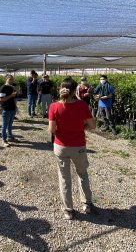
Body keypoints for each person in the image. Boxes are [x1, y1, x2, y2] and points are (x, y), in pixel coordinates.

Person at [48, 77, 96, 220]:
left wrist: (63, 132)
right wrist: (81, 128)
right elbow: (92, 125)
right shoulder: (82, 105)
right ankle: (86, 204)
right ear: (75, 90)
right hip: (78, 146)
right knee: (82, 174)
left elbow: (51, 129)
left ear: (60, 89)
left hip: (61, 147)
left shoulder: (54, 106)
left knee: (64, 178)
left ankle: (68, 210)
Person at [0, 74, 17, 147]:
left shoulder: (12, 87)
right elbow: (1, 99)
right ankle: (4, 140)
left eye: (12, 79)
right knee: (4, 125)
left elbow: (14, 98)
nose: (11, 80)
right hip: (6, 109)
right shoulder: (3, 88)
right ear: (6, 79)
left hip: (12, 108)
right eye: (9, 79)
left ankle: (10, 136)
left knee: (10, 124)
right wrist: (11, 95)